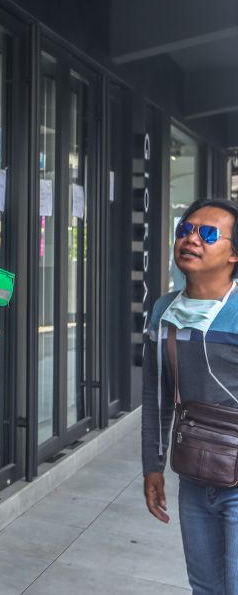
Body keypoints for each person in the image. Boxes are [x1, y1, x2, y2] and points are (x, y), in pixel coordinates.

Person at [142, 197, 238, 595]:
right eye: (186, 229)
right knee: (204, 587)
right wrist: (153, 464)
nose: (192, 238)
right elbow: (156, 394)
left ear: (233, 254)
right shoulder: (164, 310)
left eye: (208, 233)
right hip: (196, 474)